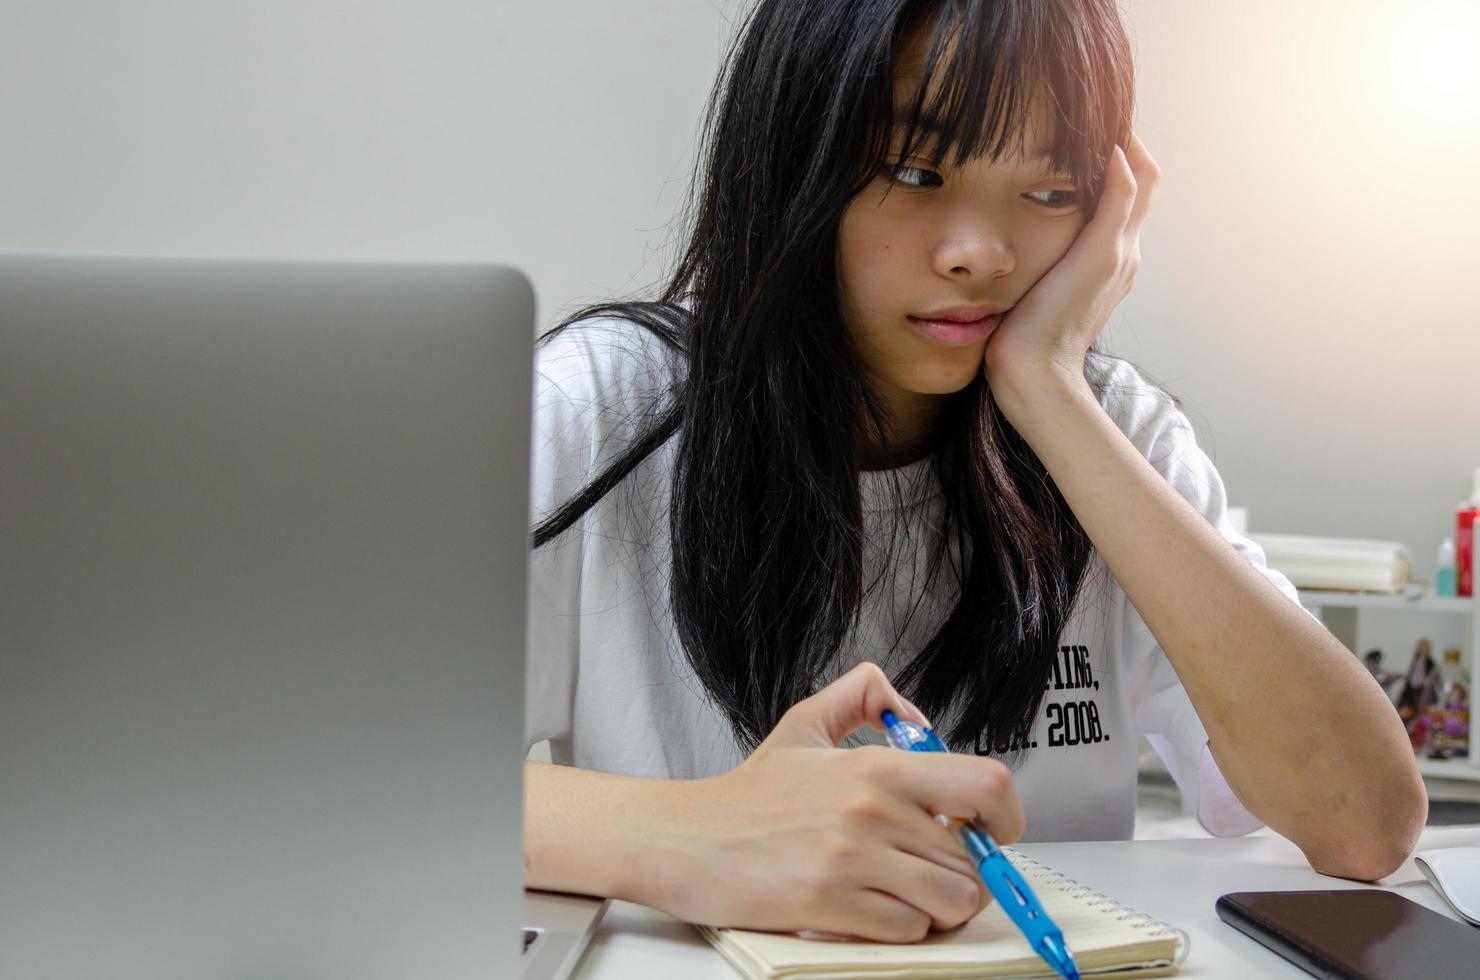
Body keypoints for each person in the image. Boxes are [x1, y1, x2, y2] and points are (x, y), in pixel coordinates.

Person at [522, 0, 1426, 944]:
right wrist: (696, 837)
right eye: (915, 170)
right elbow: (364, 768)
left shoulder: (1113, 432)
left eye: (1050, 192)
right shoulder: (606, 411)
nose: (981, 256)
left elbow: (1364, 823)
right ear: (793, 161)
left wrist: (1046, 389)